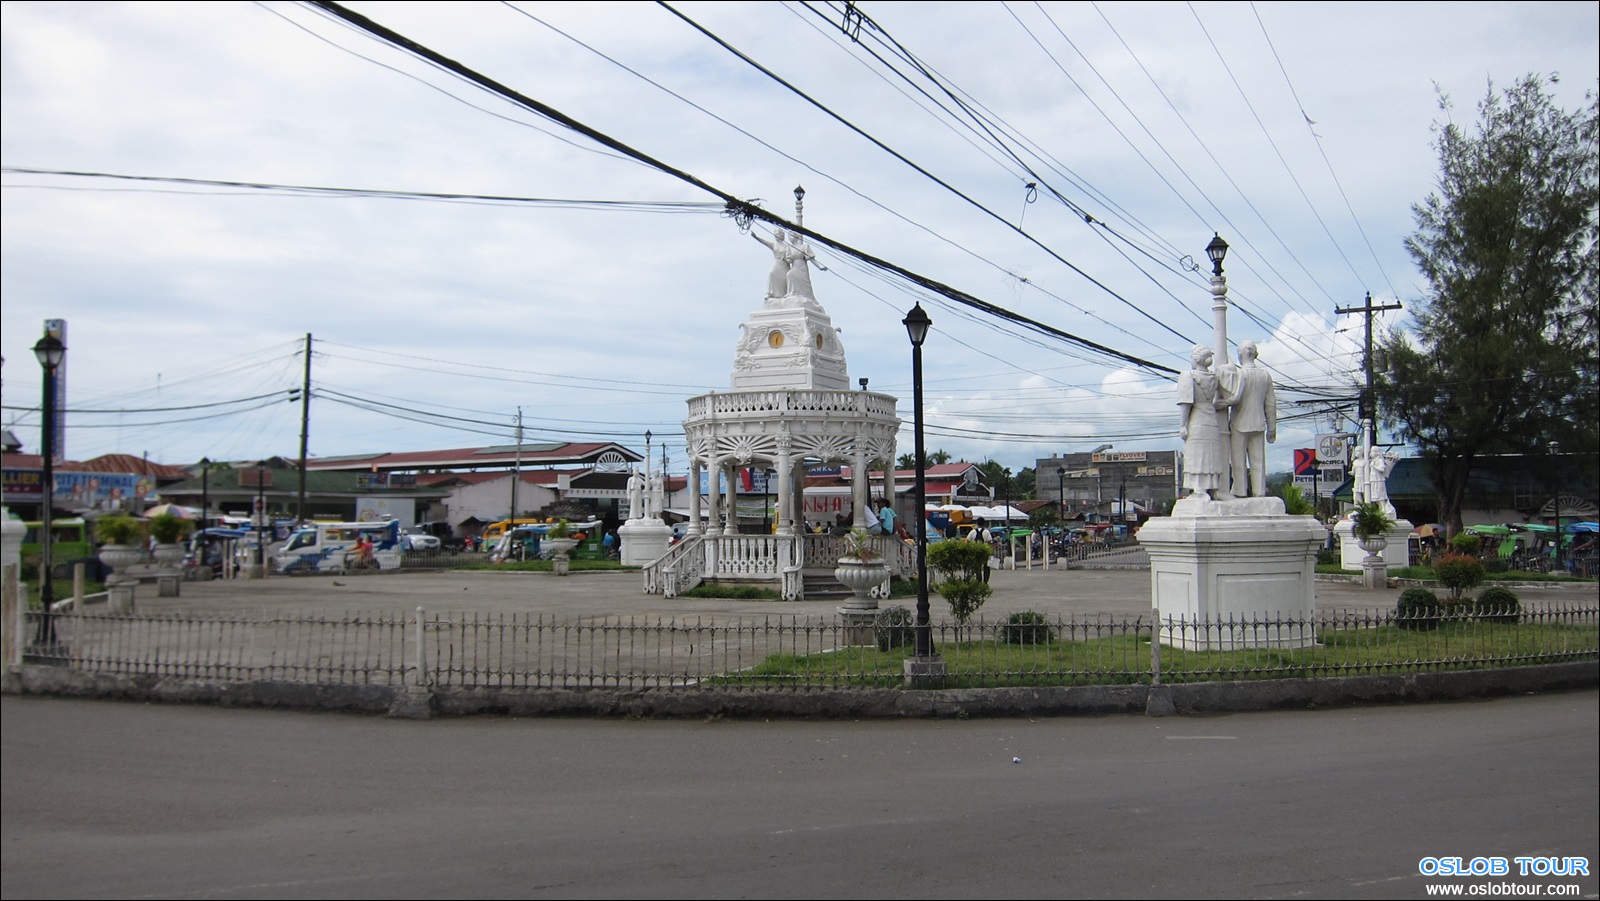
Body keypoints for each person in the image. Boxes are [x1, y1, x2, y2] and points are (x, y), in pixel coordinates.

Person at [1222, 341, 1277, 498]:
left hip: (1239, 422)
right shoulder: (1265, 376)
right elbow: (1270, 404)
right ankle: (1259, 491)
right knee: (1258, 460)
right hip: (1259, 423)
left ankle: (1240, 490)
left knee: (1238, 461)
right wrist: (1272, 427)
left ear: (1241, 355)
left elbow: (1233, 397)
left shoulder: (1240, 375)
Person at [1177, 344, 1231, 499]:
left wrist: (1182, 425)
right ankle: (1212, 486)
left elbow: (1186, 403)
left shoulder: (1188, 376)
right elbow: (1226, 396)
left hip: (1197, 419)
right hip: (1211, 419)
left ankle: (1199, 488)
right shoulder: (1214, 377)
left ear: (1195, 358)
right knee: (1211, 454)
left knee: (1197, 454)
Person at [751, 228, 792, 298]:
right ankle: (770, 292)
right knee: (771, 273)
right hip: (777, 262)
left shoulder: (787, 246)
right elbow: (764, 242)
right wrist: (756, 237)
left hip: (784, 264)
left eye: (777, 234)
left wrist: (786, 258)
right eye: (775, 235)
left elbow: (790, 257)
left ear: (781, 236)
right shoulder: (774, 245)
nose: (776, 236)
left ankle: (783, 294)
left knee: (783, 279)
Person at [786, 231, 828, 299]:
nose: (790, 238)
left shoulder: (804, 247)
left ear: (796, 237)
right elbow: (788, 259)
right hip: (794, 266)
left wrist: (820, 267)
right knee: (789, 274)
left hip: (802, 266)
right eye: (789, 236)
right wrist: (788, 259)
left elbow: (811, 258)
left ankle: (806, 296)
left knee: (804, 283)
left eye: (791, 236)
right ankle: (792, 293)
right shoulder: (789, 248)